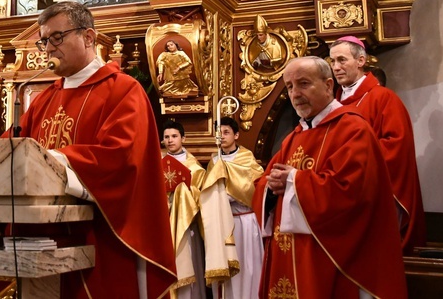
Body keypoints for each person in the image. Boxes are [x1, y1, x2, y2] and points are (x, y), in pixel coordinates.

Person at [16, 1, 176, 298]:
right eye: (43, 41)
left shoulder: (122, 90)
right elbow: (9, 154)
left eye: (56, 38)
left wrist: (51, 160)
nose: (48, 49)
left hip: (101, 240)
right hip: (40, 241)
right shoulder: (42, 100)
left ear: (88, 37)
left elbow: (121, 158)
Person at [253, 56, 407, 298]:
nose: (295, 94)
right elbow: (265, 181)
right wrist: (271, 189)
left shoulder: (353, 130)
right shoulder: (294, 137)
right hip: (293, 257)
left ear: (328, 85)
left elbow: (350, 192)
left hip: (332, 259)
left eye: (303, 84)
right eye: (290, 86)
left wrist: (294, 181)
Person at [329, 35, 426, 254]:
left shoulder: (383, 98)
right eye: (332, 62)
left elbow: (396, 147)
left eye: (342, 60)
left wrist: (351, 162)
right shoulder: (333, 105)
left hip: (371, 196)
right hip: (339, 196)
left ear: (361, 61)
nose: (336, 67)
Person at [215, 117, 263, 299]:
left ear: (236, 135)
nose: (222, 136)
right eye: (219, 132)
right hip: (224, 223)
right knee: (226, 268)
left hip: (244, 219)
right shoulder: (214, 160)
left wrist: (231, 194)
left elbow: (253, 186)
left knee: (248, 267)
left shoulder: (246, 158)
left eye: (226, 132)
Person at [161, 120, 206, 299]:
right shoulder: (157, 163)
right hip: (164, 225)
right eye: (166, 137)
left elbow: (201, 196)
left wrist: (182, 193)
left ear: (183, 138)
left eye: (174, 136)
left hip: (186, 225)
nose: (170, 140)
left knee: (189, 263)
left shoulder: (194, 168)